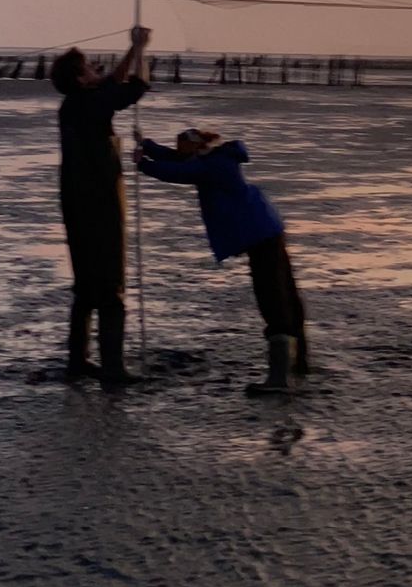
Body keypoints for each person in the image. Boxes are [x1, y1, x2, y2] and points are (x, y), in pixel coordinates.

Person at [134, 124, 313, 389]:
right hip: (265, 228)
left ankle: (279, 377)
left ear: (197, 146)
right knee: (285, 292)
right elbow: (178, 159)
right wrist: (148, 146)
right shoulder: (214, 157)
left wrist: (144, 165)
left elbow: (179, 171)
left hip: (259, 233)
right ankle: (299, 363)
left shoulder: (212, 166)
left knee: (272, 297)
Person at [48, 26, 152, 381]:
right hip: (99, 205)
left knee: (86, 285)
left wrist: (132, 48)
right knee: (109, 286)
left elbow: (111, 84)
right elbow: (133, 89)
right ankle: (113, 367)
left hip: (77, 205)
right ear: (79, 78)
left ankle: (78, 361)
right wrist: (139, 50)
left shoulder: (73, 105)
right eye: (90, 66)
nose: (96, 69)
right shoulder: (89, 103)